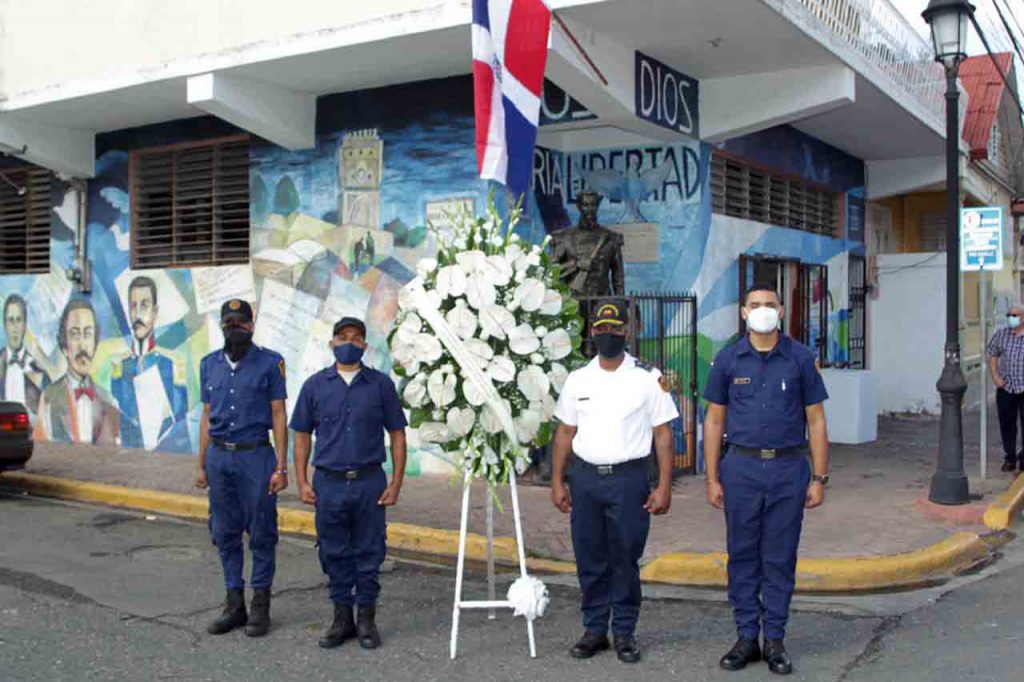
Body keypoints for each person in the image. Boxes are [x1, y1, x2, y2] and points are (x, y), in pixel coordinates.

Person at [703, 283, 829, 676]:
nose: (762, 310)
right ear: (743, 312)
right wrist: (711, 478)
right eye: (754, 305)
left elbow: (817, 420)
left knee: (779, 557)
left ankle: (774, 639)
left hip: (788, 470)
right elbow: (714, 420)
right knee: (741, 555)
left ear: (781, 309)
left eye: (769, 305)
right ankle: (746, 639)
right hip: (740, 469)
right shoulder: (727, 359)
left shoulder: (801, 359)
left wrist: (820, 477)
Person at [550, 299, 678, 664]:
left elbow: (663, 435)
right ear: (593, 332)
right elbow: (564, 434)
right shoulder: (578, 379)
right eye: (601, 329)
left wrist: (664, 486)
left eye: (615, 329)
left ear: (626, 332)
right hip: (586, 479)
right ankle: (594, 630)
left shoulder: (648, 377)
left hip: (629, 479)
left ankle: (623, 631)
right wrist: (557, 481)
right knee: (589, 557)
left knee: (624, 557)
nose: (608, 335)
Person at [290, 316, 407, 650]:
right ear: (332, 343)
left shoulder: (381, 385)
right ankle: (342, 618)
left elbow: (397, 434)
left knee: (370, 551)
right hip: (328, 483)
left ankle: (366, 620)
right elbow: (301, 435)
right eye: (342, 337)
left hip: (370, 482)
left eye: (356, 338)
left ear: (365, 346)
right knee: (333, 551)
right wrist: (302, 480)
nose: (349, 343)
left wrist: (396, 482)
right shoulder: (314, 386)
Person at [194, 299, 289, 638]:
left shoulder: (270, 363)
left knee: (262, 531)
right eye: (229, 322)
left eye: (241, 322)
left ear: (251, 326)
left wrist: (281, 466)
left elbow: (278, 414)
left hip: (255, 456)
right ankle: (234, 604)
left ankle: (260, 606)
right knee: (224, 532)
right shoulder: (208, 365)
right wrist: (201, 465)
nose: (235, 327)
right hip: (220, 458)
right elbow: (206, 416)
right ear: (222, 326)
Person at [111, 276, 188, 450]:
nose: (138, 315)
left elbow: (180, 422)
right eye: (133, 306)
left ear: (155, 312)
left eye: (144, 305)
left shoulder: (172, 363)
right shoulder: (119, 365)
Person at [36, 299, 119, 445]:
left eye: (87, 334)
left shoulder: (109, 402)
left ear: (95, 342)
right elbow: (41, 452)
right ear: (64, 346)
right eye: (75, 335)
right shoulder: (49, 398)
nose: (82, 345)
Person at [987, 304, 1024, 473]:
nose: (1011, 318)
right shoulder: (1002, 334)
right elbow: (993, 354)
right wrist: (995, 376)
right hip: (1006, 387)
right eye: (1009, 315)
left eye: (1015, 315)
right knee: (1007, 424)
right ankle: (1010, 457)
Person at [0, 293, 45, 411]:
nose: (15, 327)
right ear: (5, 325)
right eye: (11, 320)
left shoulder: (37, 367)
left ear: (25, 325)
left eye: (19, 320)